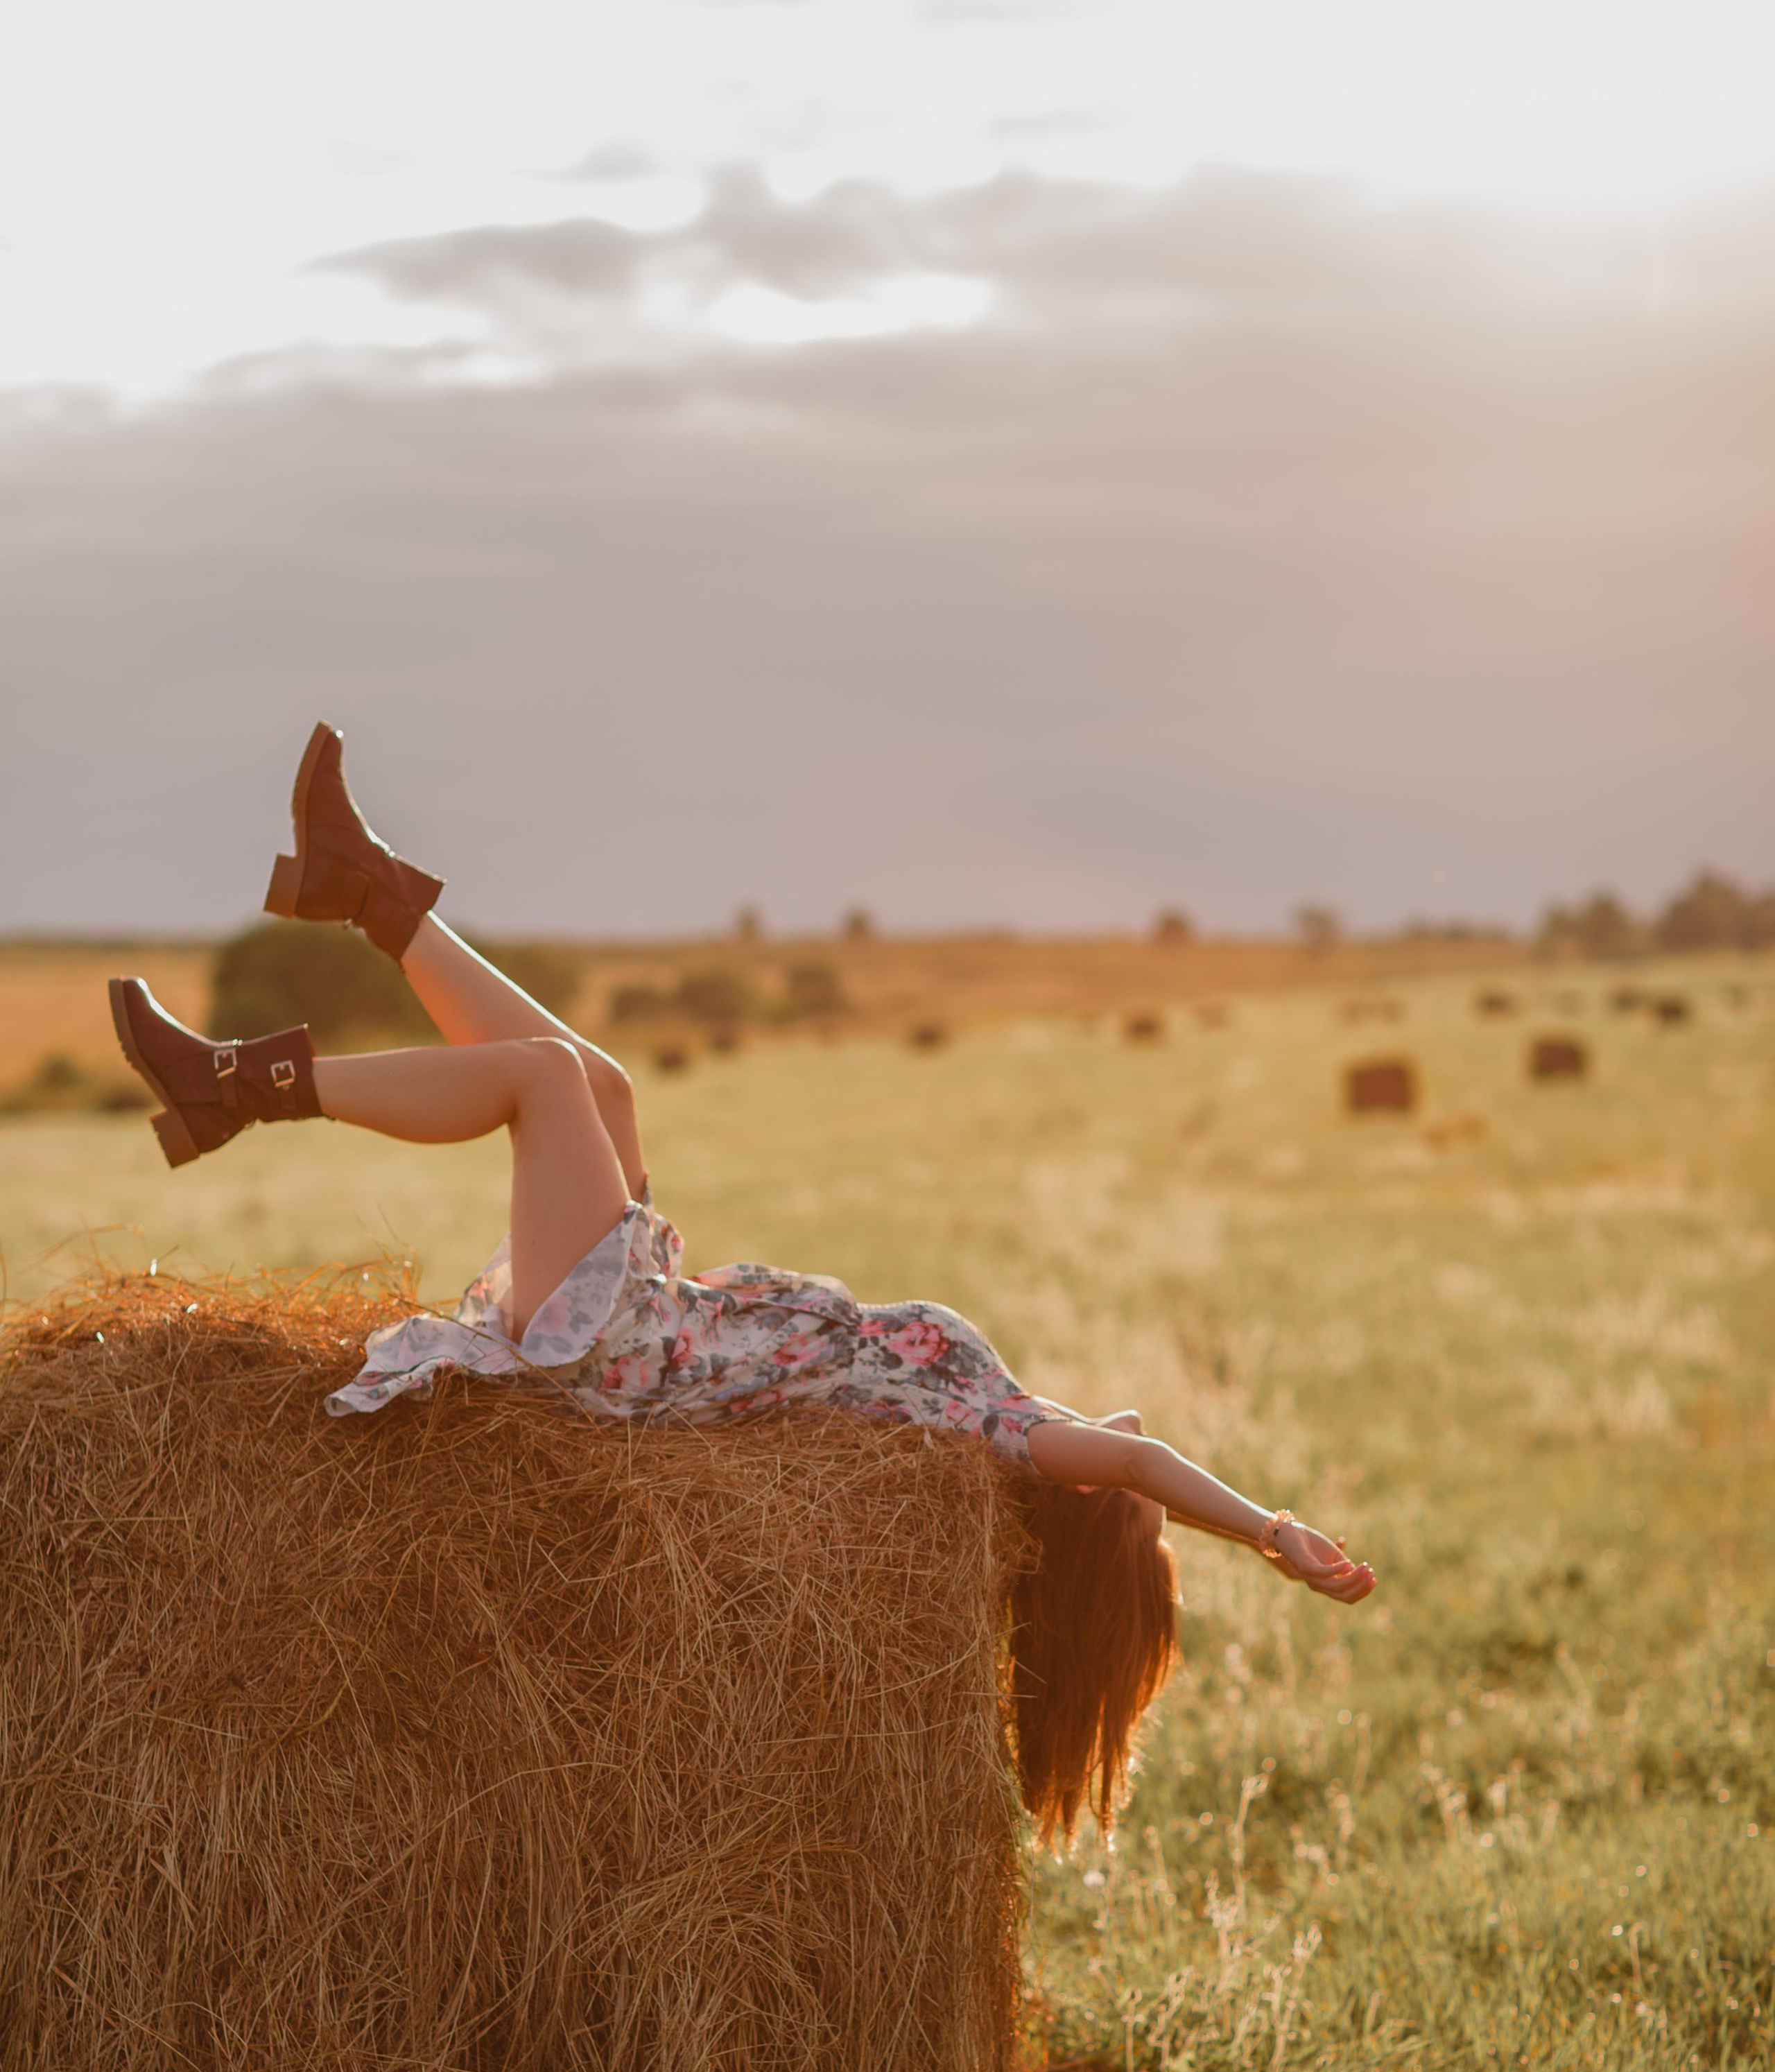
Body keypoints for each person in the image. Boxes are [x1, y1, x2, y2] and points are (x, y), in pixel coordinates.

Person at [107, 725, 1375, 1836]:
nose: (1135, 1463)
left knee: (541, 1087)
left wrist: (1267, 1533)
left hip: (617, 1352)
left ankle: (233, 1085)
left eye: (1131, 1509)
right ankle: (365, 890)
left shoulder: (1000, 1439)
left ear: (1094, 1511)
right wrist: (1149, 1489)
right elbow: (1139, 1440)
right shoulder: (1011, 1421)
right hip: (664, 1311)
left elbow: (1140, 1465)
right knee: (599, 1079)